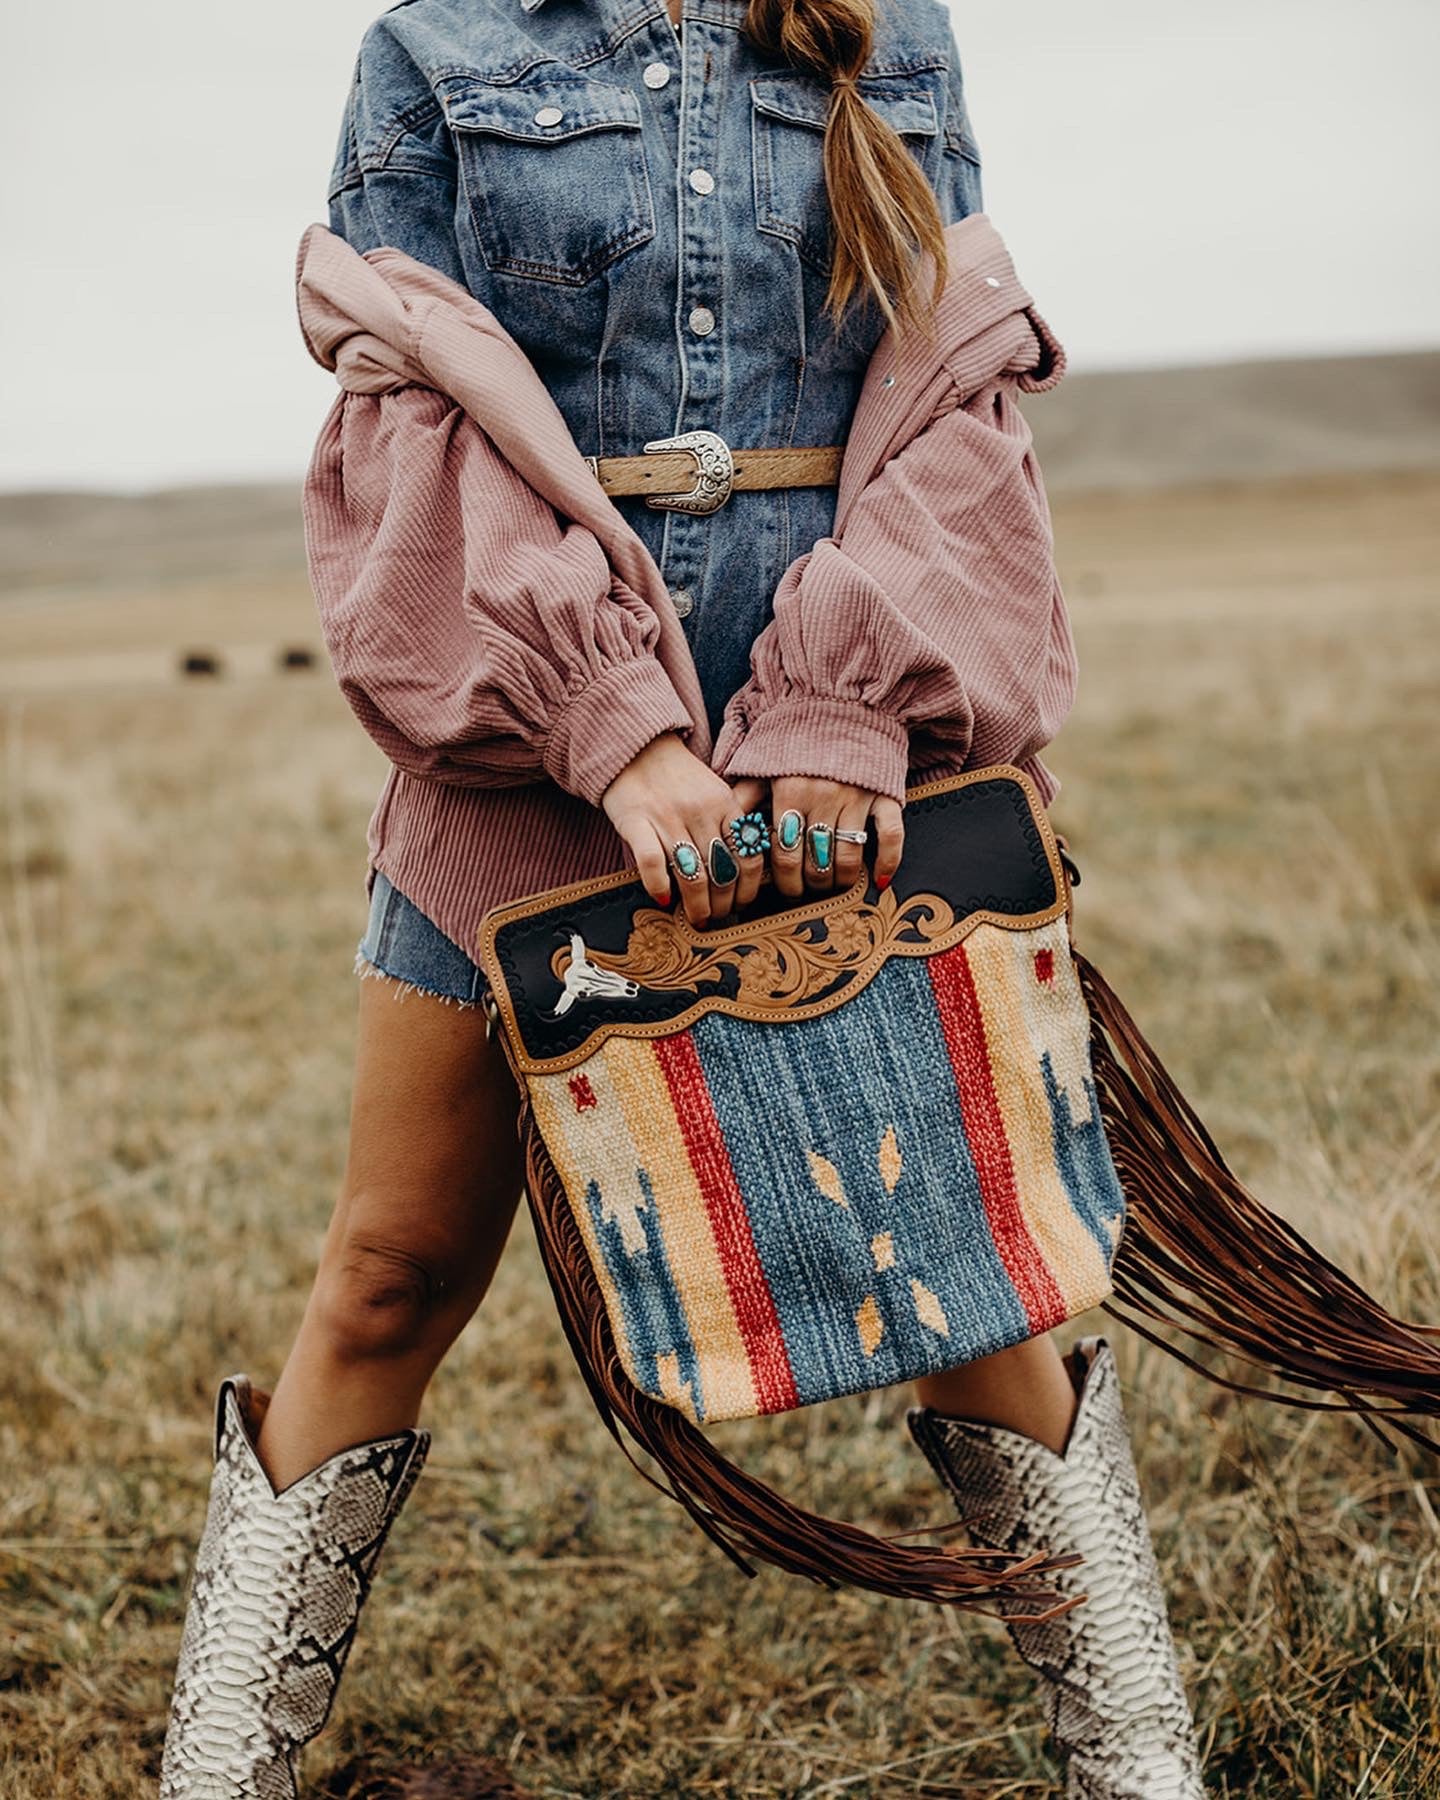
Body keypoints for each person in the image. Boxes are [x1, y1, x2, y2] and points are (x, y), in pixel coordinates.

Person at [157, 0, 1205, 1793]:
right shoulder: (435, 48)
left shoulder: (895, 31)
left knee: (981, 1283)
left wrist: (842, 710)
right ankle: (214, 1770)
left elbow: (952, 389)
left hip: (851, 761)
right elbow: (404, 407)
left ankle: (1138, 1759)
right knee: (392, 1273)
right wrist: (611, 724)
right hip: (530, 746)